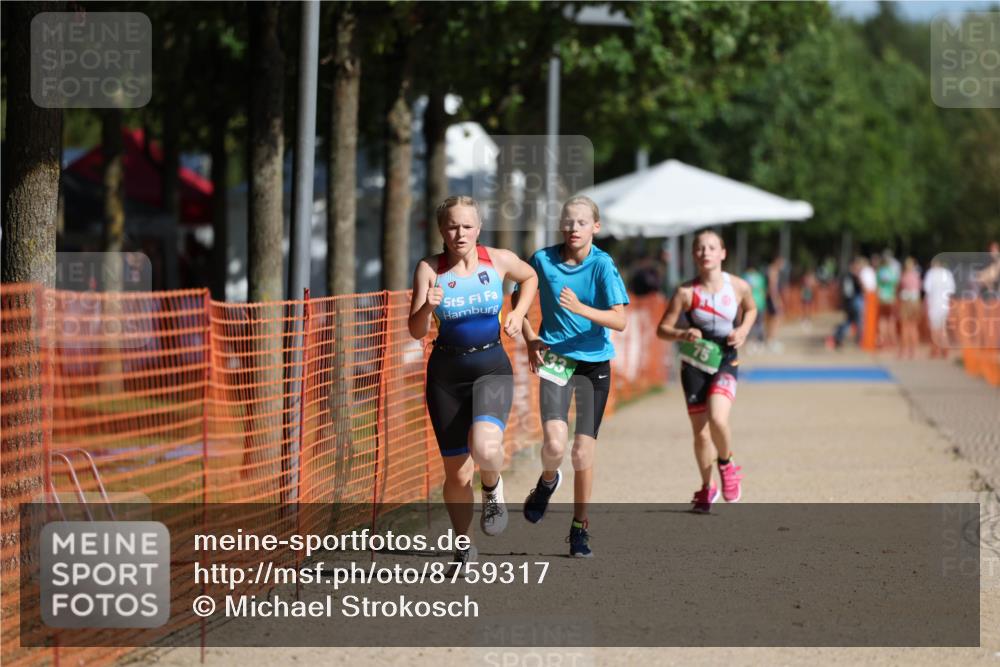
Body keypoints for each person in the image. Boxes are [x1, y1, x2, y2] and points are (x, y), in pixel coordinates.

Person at [408, 195, 538, 571]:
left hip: (491, 366)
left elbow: (529, 277)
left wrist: (518, 312)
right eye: (451, 226)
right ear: (441, 230)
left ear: (478, 228)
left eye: (467, 225)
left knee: (484, 447)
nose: (459, 232)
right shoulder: (430, 269)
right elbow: (416, 330)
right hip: (446, 375)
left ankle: (493, 487)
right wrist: (427, 307)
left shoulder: (496, 260)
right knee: (456, 473)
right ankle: (464, 546)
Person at [513, 195, 629, 558]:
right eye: (567, 222)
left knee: (581, 452)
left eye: (581, 222)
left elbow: (619, 320)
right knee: (554, 446)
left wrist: (581, 309)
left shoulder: (602, 265)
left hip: (594, 365)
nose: (573, 228)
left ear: (595, 227)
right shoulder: (542, 261)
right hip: (556, 360)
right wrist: (532, 340)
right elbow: (519, 305)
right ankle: (547, 482)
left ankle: (580, 528)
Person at [656, 229, 757, 513]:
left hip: (725, 357)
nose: (706, 253)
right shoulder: (686, 292)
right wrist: (683, 333)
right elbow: (662, 329)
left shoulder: (738, 286)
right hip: (694, 364)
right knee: (700, 434)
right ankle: (707, 486)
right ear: (693, 255)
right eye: (700, 248)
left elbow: (751, 310)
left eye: (712, 247)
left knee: (717, 418)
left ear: (723, 253)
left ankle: (726, 464)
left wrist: (743, 330)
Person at [924, 257, 956, 358]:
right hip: (944, 304)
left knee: (935, 329)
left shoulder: (931, 273)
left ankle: (935, 350)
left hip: (934, 304)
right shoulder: (947, 273)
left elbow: (927, 289)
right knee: (943, 329)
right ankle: (945, 350)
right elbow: (951, 290)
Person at [830, 258, 863, 349]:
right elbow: (856, 289)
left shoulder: (845, 276)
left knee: (849, 321)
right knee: (858, 321)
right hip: (854, 301)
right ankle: (860, 339)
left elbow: (841, 290)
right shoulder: (853, 277)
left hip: (848, 302)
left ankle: (838, 335)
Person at [897, 257, 922, 359]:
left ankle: (903, 351)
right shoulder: (916, 276)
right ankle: (913, 352)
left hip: (906, 302)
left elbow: (900, 288)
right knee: (914, 327)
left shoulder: (904, 276)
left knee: (905, 327)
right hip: (915, 302)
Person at [876, 250, 900, 348]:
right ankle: (892, 341)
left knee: (882, 320)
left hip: (881, 297)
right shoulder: (892, 271)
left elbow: (878, 284)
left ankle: (883, 340)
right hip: (891, 297)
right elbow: (895, 284)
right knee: (891, 320)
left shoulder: (879, 271)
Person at [741, 263, 767, 350]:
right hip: (759, 303)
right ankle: (759, 341)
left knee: (749, 324)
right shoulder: (760, 277)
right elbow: (763, 291)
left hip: (748, 304)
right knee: (759, 324)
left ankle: (750, 342)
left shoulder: (745, 276)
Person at [765, 256, 785, 351]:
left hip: (771, 298)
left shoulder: (771, 270)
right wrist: (776, 301)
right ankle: (771, 341)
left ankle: (770, 340)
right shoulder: (773, 272)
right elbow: (772, 288)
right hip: (772, 298)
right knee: (775, 319)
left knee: (772, 320)